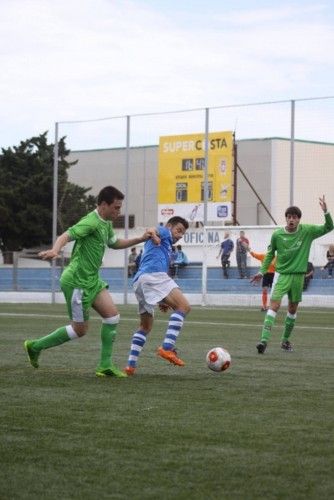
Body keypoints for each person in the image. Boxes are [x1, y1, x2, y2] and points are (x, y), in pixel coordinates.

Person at [24, 185, 159, 377]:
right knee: (79, 330)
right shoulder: (91, 222)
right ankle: (35, 346)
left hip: (92, 280)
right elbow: (65, 235)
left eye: (120, 207)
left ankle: (104, 365)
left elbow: (114, 243)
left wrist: (140, 239)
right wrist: (55, 250)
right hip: (77, 282)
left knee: (112, 316)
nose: (118, 211)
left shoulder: (106, 223)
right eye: (116, 207)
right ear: (104, 205)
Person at [251, 196, 333, 354]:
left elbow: (329, 227)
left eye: (294, 217)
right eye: (289, 217)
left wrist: (326, 211)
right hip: (281, 275)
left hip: (298, 277)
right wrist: (262, 271)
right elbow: (269, 255)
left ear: (298, 220)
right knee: (274, 306)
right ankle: (263, 341)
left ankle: (285, 341)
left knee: (292, 309)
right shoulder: (277, 235)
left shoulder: (307, 231)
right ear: (286, 219)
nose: (291, 220)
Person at [124, 216, 190, 375]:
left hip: (140, 281)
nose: (180, 235)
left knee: (145, 326)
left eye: (183, 233)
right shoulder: (164, 232)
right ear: (170, 226)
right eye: (179, 230)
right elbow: (151, 230)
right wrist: (154, 235)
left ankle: (130, 366)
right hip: (153, 276)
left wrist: (162, 299)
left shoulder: (166, 248)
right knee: (183, 307)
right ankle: (167, 348)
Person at [246, 246, 276, 311]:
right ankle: (264, 306)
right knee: (264, 290)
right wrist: (248, 249)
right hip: (265, 274)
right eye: (269, 250)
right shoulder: (263, 256)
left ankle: (273, 306)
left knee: (274, 292)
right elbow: (254, 255)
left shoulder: (276, 258)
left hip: (274, 275)